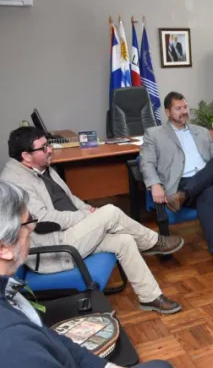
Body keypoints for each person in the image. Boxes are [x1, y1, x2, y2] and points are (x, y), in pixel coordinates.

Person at [0, 181, 213, 368]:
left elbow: (52, 341)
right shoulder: (11, 339)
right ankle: (155, 242)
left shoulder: (9, 295)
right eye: (28, 223)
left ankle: (150, 294)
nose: (31, 229)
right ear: (4, 247)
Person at [1, 127, 183, 314]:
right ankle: (153, 242)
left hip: (72, 234)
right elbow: (44, 221)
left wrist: (87, 209)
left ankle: (150, 298)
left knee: (125, 240)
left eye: (49, 144)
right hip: (54, 249)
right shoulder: (16, 182)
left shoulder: (42, 167)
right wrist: (86, 216)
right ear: (26, 156)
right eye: (44, 147)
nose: (50, 150)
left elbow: (69, 198)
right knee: (110, 211)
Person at [140, 91, 213, 275]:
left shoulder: (201, 131)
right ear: (167, 112)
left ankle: (182, 197)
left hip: (200, 179)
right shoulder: (154, 134)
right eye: (178, 108)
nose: (184, 111)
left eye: (185, 107)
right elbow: (146, 163)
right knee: (207, 190)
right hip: (180, 183)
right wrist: (155, 184)